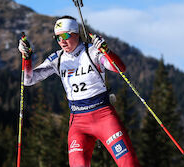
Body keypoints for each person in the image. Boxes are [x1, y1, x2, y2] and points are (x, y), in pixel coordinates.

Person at [18, 15, 141, 167]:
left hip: (104, 116)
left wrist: (107, 51)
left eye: (65, 35)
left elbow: (119, 68)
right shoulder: (57, 58)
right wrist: (27, 58)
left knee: (129, 164)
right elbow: (28, 80)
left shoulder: (92, 52)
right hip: (78, 122)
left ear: (76, 33)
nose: (62, 41)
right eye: (57, 38)